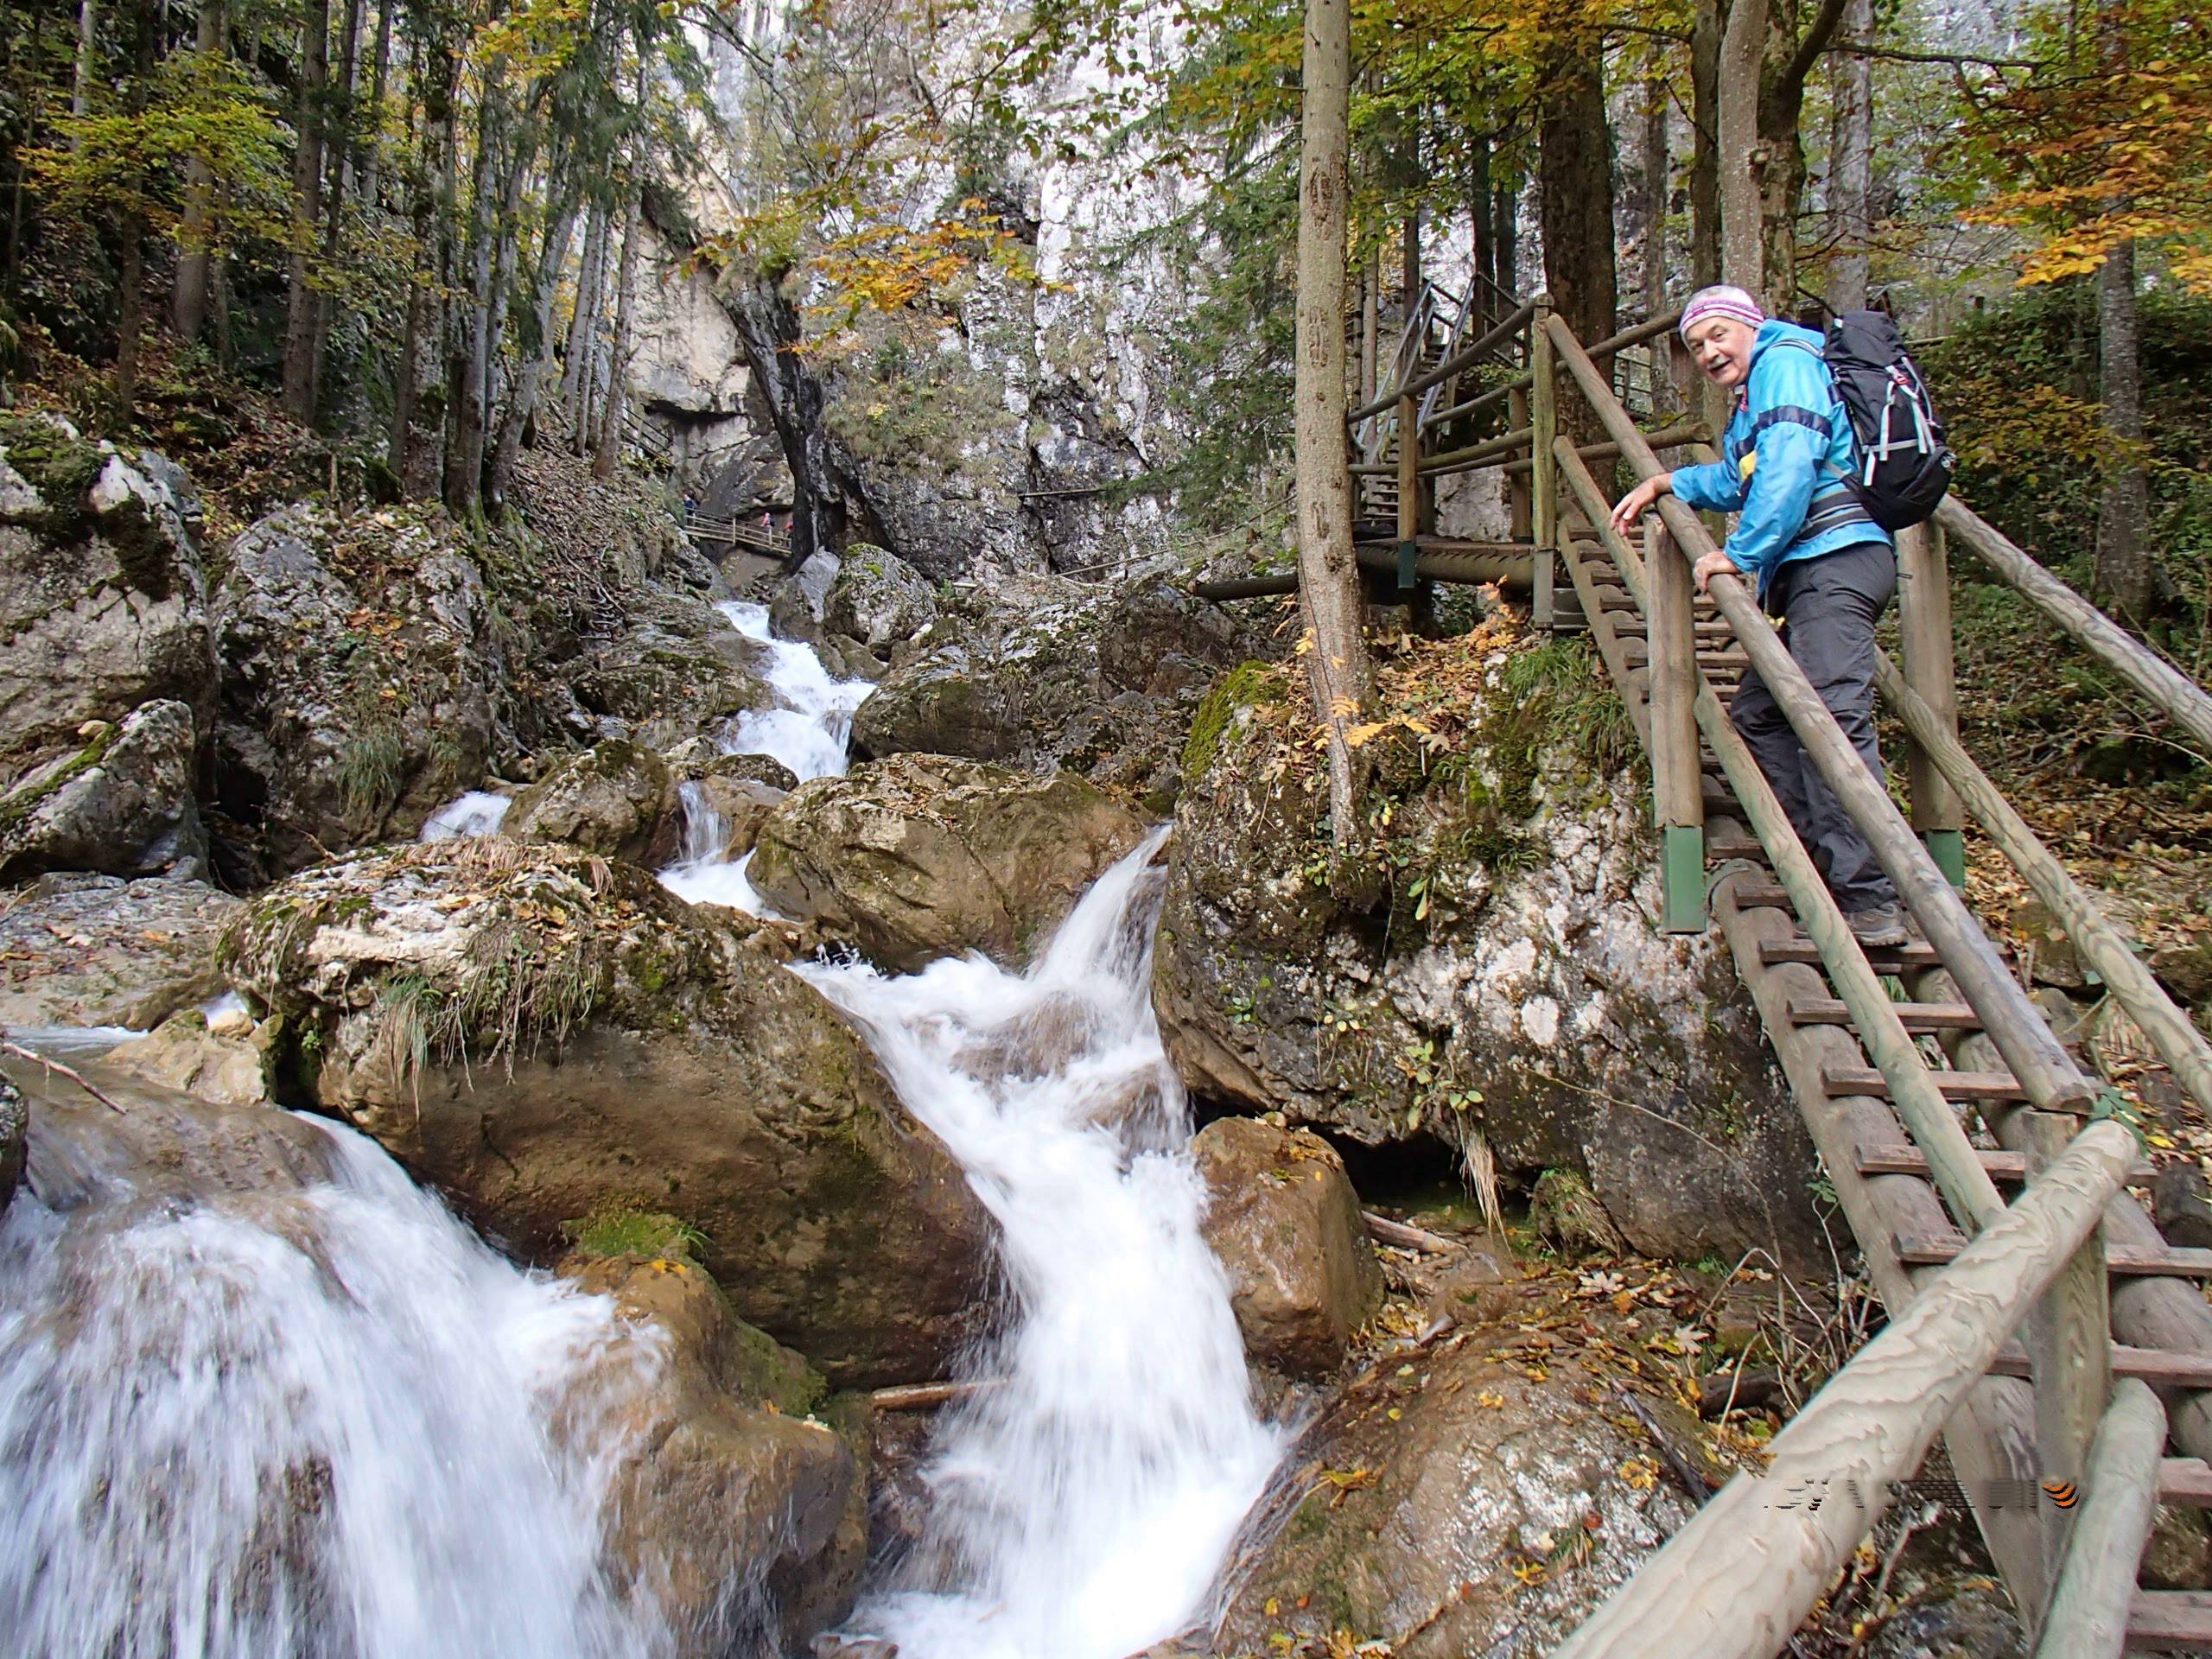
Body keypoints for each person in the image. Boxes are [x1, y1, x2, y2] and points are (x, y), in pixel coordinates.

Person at [1609, 283, 1907, 948]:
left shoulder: (1787, 364)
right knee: (1761, 715)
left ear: (1751, 325)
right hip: (1815, 572)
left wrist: (1739, 554)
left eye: (1719, 334)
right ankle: (1827, 866)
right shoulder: (1760, 394)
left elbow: (1792, 467)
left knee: (1828, 720)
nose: (1710, 352)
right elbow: (1746, 478)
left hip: (1837, 561)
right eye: (1696, 345)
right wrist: (1669, 484)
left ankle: (1869, 900)